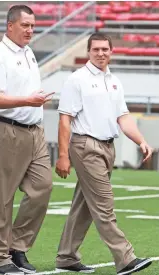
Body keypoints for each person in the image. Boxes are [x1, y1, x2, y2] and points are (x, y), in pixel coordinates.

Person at [55, 33, 153, 275]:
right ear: (88, 51)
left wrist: (141, 140)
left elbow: (123, 117)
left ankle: (66, 256)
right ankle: (125, 258)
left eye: (105, 49)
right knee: (103, 203)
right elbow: (65, 119)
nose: (100, 53)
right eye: (96, 49)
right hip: (86, 146)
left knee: (84, 205)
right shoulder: (77, 80)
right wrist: (63, 155)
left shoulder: (114, 81)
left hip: (108, 147)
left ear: (112, 52)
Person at [0, 5, 54, 275]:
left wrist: (33, 106)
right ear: (10, 26)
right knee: (1, 197)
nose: (30, 30)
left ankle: (17, 247)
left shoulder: (28, 53)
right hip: (4, 130)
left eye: (33, 26)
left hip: (34, 131)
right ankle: (0, 260)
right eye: (25, 26)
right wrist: (28, 100)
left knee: (43, 187)